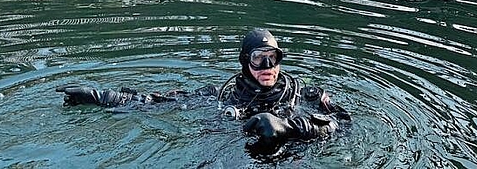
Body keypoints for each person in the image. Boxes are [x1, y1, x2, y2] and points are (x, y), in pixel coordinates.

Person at [56, 28, 350, 153]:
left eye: (274, 58)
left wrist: (290, 127)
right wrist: (99, 97)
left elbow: (344, 124)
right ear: (245, 63)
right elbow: (155, 102)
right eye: (259, 59)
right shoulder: (223, 96)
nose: (268, 67)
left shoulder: (304, 95)